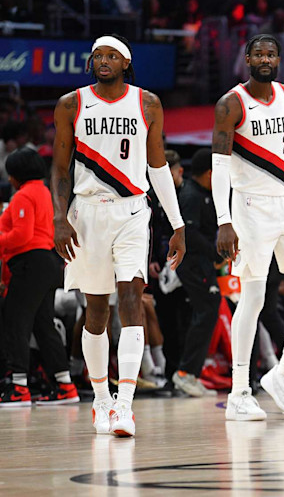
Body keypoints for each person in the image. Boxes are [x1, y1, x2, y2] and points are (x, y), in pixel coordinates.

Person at [52, 34, 186, 437]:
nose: (104, 61)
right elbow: (59, 168)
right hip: (87, 212)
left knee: (132, 298)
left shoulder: (147, 103)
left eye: (112, 56)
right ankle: (101, 398)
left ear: (127, 63)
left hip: (132, 209)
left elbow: (159, 166)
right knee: (96, 312)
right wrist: (60, 218)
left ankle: (125, 405)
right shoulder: (71, 103)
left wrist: (177, 223)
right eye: (98, 56)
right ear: (91, 62)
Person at [211, 34, 284, 421]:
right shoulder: (231, 103)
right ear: (247, 59)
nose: (265, 58)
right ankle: (239, 392)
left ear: (279, 59)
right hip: (249, 208)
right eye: (258, 53)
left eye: (271, 53)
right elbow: (220, 167)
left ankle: (283, 372)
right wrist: (224, 220)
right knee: (254, 297)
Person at [0, 148, 78, 407]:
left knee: (16, 321)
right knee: (44, 325)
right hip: (48, 263)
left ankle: (19, 387)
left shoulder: (23, 195)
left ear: (17, 174)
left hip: (30, 263)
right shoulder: (45, 191)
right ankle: (65, 385)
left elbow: (21, 237)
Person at [172, 149, 219, 397]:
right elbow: (189, 233)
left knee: (206, 311)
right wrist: (216, 252)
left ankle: (190, 373)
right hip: (192, 263)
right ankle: (185, 373)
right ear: (210, 173)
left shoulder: (201, 193)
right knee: (207, 309)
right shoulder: (190, 195)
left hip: (200, 263)